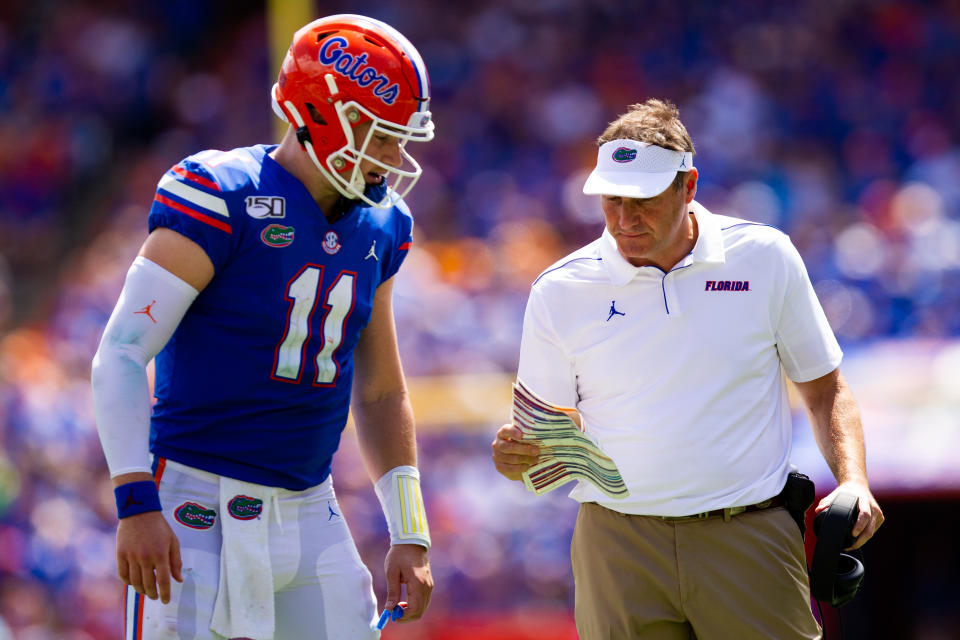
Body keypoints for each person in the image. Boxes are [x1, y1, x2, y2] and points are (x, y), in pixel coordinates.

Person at [92, 14, 434, 640]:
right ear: (329, 118)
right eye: (383, 136)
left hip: (309, 506)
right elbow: (119, 352)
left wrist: (409, 531)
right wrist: (135, 502)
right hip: (192, 504)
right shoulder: (221, 194)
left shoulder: (384, 224)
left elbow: (382, 389)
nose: (395, 157)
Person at [491, 99, 884, 639]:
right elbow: (551, 434)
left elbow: (824, 388)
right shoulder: (560, 289)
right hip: (617, 544)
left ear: (688, 185)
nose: (625, 220)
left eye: (644, 199)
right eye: (611, 199)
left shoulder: (765, 257)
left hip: (749, 534)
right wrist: (520, 457)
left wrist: (854, 480)